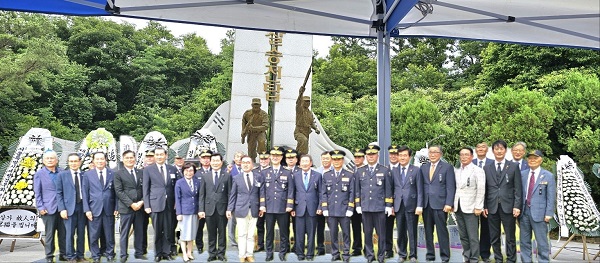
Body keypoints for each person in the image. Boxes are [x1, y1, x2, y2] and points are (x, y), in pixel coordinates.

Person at [482, 140, 522, 263]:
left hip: (508, 206)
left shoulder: (513, 166)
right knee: (494, 236)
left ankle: (511, 259)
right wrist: (484, 206)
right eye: (496, 149)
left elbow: (518, 188)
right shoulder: (487, 167)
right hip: (492, 206)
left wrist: (517, 206)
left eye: (501, 149)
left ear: (506, 150)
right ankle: (498, 258)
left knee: (510, 236)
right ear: (492, 151)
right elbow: (485, 189)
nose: (499, 151)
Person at [355, 145, 393, 263]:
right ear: (366, 156)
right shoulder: (360, 171)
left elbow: (388, 190)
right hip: (366, 208)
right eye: (369, 155)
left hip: (379, 208)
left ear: (378, 155)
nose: (371, 157)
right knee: (367, 234)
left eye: (373, 154)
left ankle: (381, 256)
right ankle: (370, 256)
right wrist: (358, 205)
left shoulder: (385, 170)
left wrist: (388, 206)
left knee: (381, 234)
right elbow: (357, 190)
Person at [143, 147, 180, 262]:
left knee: (169, 230)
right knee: (158, 230)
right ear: (154, 156)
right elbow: (146, 189)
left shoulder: (172, 169)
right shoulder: (148, 170)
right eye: (157, 155)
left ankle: (167, 252)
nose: (159, 157)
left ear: (166, 156)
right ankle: (158, 253)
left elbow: (177, 187)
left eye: (161, 154)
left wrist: (177, 203)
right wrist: (147, 205)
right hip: (155, 204)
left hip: (169, 205)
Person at [420, 145, 456, 263]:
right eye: (430, 152)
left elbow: (450, 187)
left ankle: (445, 256)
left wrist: (449, 203)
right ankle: (430, 255)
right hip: (426, 204)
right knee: (428, 232)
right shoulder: (423, 168)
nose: (432, 154)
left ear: (440, 154)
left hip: (440, 205)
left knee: (442, 231)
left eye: (435, 152)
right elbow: (421, 187)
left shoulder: (447, 167)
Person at [519, 150, 555, 263]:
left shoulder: (548, 176)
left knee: (542, 241)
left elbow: (551, 196)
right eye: (530, 158)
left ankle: (543, 261)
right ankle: (526, 261)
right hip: (524, 212)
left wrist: (549, 213)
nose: (532, 160)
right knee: (524, 241)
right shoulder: (523, 174)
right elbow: (519, 194)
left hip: (540, 214)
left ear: (541, 160)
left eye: (535, 158)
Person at [82, 152, 117, 263]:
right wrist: (87, 209)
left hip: (109, 208)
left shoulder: (113, 173)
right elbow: (85, 193)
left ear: (105, 160)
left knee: (109, 234)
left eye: (102, 159)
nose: (100, 161)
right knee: (93, 234)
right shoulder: (88, 175)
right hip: (93, 209)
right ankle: (95, 255)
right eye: (97, 159)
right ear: (93, 160)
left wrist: (116, 207)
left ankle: (110, 253)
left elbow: (116, 192)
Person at [227, 156, 263, 263]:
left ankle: (249, 254)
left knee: (251, 234)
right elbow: (233, 195)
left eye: (248, 162)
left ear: (252, 164)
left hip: (255, 208)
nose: (246, 164)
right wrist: (229, 209)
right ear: (241, 164)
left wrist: (262, 206)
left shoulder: (258, 177)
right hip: (240, 209)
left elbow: (261, 193)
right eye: (243, 163)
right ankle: (242, 255)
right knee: (242, 233)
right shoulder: (236, 178)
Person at [260, 146, 294, 261]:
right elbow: (262, 191)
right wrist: (262, 205)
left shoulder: (287, 172)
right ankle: (269, 253)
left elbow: (291, 190)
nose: (275, 158)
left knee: (284, 232)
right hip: (269, 207)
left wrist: (289, 205)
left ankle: (282, 253)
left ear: (281, 157)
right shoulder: (264, 172)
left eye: (277, 156)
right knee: (269, 233)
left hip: (282, 207)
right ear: (270, 157)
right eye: (273, 156)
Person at [321, 150, 354, 262]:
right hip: (331, 210)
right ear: (332, 160)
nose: (336, 161)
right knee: (333, 234)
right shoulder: (326, 175)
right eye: (334, 159)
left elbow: (352, 193)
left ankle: (346, 253)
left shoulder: (349, 175)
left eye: (338, 159)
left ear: (342, 160)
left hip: (344, 210)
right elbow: (323, 193)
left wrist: (350, 208)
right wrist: (324, 208)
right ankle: (335, 253)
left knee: (346, 234)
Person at [34, 150, 67, 263]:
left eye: (52, 158)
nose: (49, 160)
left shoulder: (62, 172)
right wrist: (40, 207)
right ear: (43, 161)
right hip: (48, 209)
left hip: (62, 208)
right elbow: (37, 193)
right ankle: (49, 256)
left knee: (63, 234)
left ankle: (63, 254)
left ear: (56, 160)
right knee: (50, 235)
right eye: (47, 158)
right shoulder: (39, 174)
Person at [198, 153, 232, 262]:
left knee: (222, 233)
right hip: (209, 209)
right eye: (213, 161)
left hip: (223, 209)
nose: (215, 163)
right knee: (211, 233)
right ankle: (212, 254)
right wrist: (201, 210)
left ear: (221, 162)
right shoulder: (205, 176)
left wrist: (229, 209)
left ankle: (221, 254)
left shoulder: (227, 175)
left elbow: (229, 194)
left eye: (218, 161)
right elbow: (202, 194)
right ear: (210, 162)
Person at [454, 147, 485, 263]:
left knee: (472, 236)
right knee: (463, 235)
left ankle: (474, 258)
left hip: (472, 208)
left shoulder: (477, 170)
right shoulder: (457, 171)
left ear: (472, 156)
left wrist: (479, 207)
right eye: (461, 155)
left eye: (466, 154)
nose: (464, 157)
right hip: (458, 207)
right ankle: (466, 256)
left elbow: (481, 190)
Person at [114, 150, 147, 262]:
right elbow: (119, 191)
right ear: (123, 160)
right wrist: (131, 204)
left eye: (131, 157)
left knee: (139, 231)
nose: (129, 160)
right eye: (127, 158)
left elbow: (145, 189)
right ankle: (123, 255)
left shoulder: (141, 172)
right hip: (126, 208)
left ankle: (139, 253)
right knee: (125, 232)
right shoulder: (118, 174)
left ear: (135, 159)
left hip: (140, 207)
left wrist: (141, 202)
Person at [391, 146, 422, 263]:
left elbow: (420, 189)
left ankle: (413, 255)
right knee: (400, 231)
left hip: (412, 205)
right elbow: (391, 189)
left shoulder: (416, 170)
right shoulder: (393, 171)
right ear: (397, 157)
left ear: (409, 157)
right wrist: (390, 206)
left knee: (412, 231)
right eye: (400, 155)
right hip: (398, 205)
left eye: (405, 155)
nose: (402, 157)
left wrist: (419, 205)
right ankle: (402, 254)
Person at [289, 154, 322, 261]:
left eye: (306, 161)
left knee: (312, 233)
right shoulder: (295, 175)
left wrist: (320, 206)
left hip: (313, 208)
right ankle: (300, 253)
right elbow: (292, 193)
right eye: (302, 161)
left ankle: (310, 254)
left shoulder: (317, 175)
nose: (304, 163)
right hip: (299, 208)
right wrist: (292, 207)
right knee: (299, 233)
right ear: (299, 163)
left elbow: (321, 192)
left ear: (311, 163)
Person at [56, 153, 85, 263]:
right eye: (71, 161)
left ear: (80, 162)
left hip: (82, 208)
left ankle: (80, 256)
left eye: (75, 161)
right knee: (69, 234)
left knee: (81, 233)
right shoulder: (62, 175)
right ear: (68, 162)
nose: (73, 163)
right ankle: (70, 256)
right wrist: (62, 209)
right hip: (68, 209)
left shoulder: (84, 175)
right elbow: (59, 193)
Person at [175, 163, 201, 263]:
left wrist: (199, 210)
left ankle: (190, 252)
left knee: (192, 233)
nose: (188, 172)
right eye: (186, 170)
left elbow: (199, 197)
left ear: (194, 172)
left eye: (191, 170)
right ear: (183, 171)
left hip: (194, 211)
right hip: (184, 212)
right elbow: (177, 198)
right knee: (184, 234)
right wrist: (179, 213)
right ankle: (184, 253)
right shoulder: (179, 183)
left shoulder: (197, 182)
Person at [472, 142, 493, 262]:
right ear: (475, 150)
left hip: (488, 202)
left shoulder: (492, 163)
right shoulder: (469, 162)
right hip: (471, 202)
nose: (480, 149)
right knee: (472, 229)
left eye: (483, 147)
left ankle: (485, 254)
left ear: (487, 150)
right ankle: (473, 253)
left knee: (486, 230)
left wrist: (486, 204)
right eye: (478, 147)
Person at [194, 149, 213, 254]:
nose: (206, 160)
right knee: (199, 228)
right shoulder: (196, 173)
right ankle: (199, 246)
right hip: (200, 205)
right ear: (200, 159)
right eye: (204, 158)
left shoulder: (215, 171)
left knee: (212, 228)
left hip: (212, 205)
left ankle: (212, 247)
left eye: (208, 158)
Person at [314, 151, 332, 255]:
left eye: (327, 158)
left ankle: (335, 248)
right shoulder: (317, 172)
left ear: (331, 159)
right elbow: (317, 191)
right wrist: (320, 206)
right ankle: (320, 248)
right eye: (323, 158)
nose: (325, 160)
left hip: (333, 204)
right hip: (320, 205)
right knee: (319, 227)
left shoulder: (335, 170)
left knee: (333, 227)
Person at [384, 145, 400, 259]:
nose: (393, 156)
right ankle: (388, 250)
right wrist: (389, 205)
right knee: (387, 229)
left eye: (395, 154)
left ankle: (402, 250)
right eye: (391, 154)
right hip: (387, 205)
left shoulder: (404, 169)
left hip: (402, 205)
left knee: (403, 229)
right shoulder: (384, 170)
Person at [294, 86, 320, 155]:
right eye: (305, 101)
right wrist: (300, 93)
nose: (307, 103)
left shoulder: (310, 113)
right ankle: (300, 158)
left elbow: (312, 123)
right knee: (303, 141)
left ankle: (298, 158)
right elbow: (298, 103)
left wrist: (316, 129)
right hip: (299, 131)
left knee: (303, 148)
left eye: (308, 101)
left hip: (306, 131)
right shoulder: (300, 110)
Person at [228, 151, 245, 248]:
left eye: (241, 157)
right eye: (237, 156)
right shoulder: (229, 170)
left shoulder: (247, 169)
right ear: (234, 159)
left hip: (243, 200)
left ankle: (242, 241)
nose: (239, 158)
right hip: (233, 200)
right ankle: (232, 242)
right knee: (231, 223)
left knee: (243, 223)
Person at [254, 151, 271, 253]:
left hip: (270, 203)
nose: (263, 161)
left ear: (269, 160)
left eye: (265, 159)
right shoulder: (254, 171)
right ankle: (260, 245)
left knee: (269, 225)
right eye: (262, 159)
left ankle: (269, 245)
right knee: (259, 225)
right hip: (258, 203)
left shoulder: (272, 170)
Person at [351, 148, 365, 257]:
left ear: (363, 158)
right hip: (354, 204)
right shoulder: (352, 170)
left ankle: (368, 248)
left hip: (365, 204)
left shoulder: (367, 170)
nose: (357, 159)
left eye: (359, 157)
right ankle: (357, 248)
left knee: (367, 228)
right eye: (355, 157)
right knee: (355, 227)